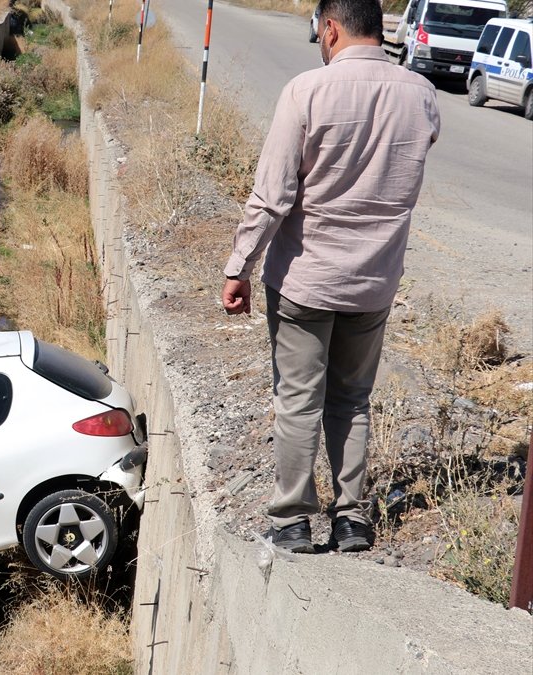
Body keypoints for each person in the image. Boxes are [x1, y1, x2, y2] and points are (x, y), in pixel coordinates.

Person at [220, 0, 440, 553]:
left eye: (319, 29)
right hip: (373, 284)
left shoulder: (306, 91)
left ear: (332, 28)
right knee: (353, 399)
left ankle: (293, 520)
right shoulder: (421, 95)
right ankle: (351, 518)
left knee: (298, 399)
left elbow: (273, 197)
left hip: (305, 281)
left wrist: (239, 267)